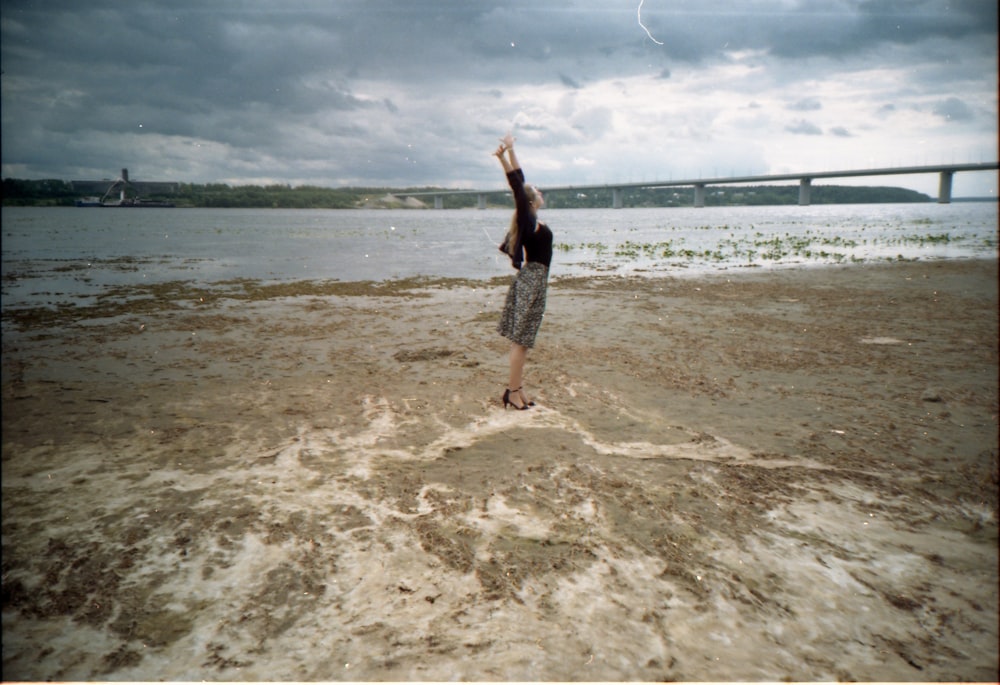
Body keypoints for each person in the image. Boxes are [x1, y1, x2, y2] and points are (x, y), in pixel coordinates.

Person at [493, 133, 553, 410]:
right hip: (532, 281)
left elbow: (521, 181)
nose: (539, 193)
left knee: (524, 342)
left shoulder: (532, 223)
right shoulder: (528, 220)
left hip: (534, 281)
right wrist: (508, 154)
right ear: (530, 202)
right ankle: (512, 392)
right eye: (537, 193)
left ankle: (518, 390)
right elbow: (519, 184)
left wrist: (505, 156)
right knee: (521, 342)